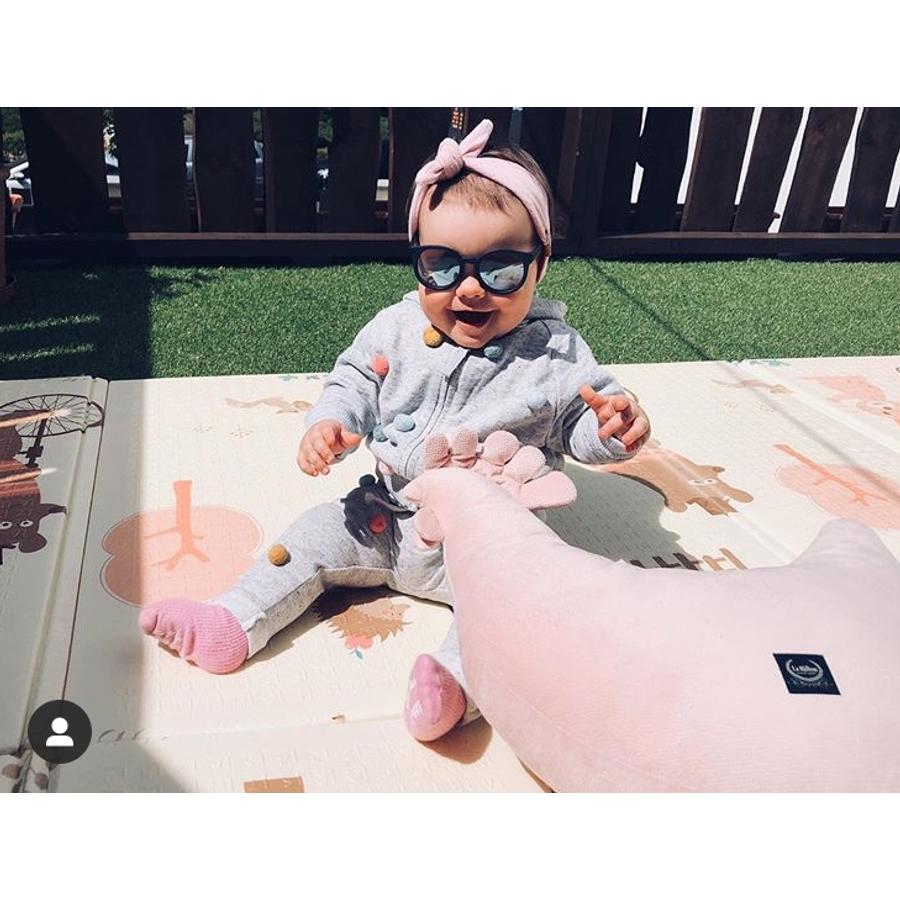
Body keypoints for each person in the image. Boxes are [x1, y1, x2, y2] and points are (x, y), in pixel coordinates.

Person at [139, 119, 651, 742]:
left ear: (540, 265)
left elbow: (580, 421)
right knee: (312, 533)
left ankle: (455, 685)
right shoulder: (395, 328)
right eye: (441, 266)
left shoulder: (555, 351)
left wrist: (611, 428)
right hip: (384, 516)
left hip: (490, 540)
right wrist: (332, 422)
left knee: (520, 606)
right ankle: (233, 619)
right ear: (418, 260)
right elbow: (354, 378)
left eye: (500, 269)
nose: (469, 289)